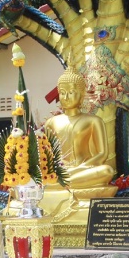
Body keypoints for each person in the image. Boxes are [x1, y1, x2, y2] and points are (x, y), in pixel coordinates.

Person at [44, 67, 116, 196]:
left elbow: (102, 154)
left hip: (83, 170)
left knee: (107, 171)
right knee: (36, 175)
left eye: (71, 92)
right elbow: (47, 155)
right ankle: (61, 182)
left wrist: (79, 168)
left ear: (82, 95)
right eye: (62, 93)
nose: (66, 97)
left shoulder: (93, 121)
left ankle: (59, 184)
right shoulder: (51, 122)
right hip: (59, 171)